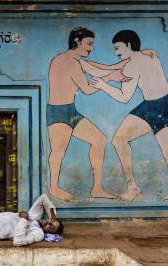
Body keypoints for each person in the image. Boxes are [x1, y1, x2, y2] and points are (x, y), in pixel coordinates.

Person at [88, 30, 168, 201]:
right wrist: (95, 70)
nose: (116, 53)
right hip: (164, 102)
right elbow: (113, 68)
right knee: (119, 139)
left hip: (159, 106)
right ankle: (133, 186)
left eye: (118, 48)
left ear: (129, 45)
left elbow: (124, 97)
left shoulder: (132, 64)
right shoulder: (148, 56)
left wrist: (102, 85)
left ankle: (166, 187)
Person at [47, 27, 129, 201]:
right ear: (77, 41)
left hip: (71, 111)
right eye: (89, 44)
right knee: (58, 152)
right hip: (58, 112)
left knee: (98, 139)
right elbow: (87, 89)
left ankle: (97, 188)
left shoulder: (75, 60)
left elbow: (103, 68)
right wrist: (109, 79)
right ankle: (53, 188)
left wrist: (138, 55)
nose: (91, 48)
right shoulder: (68, 61)